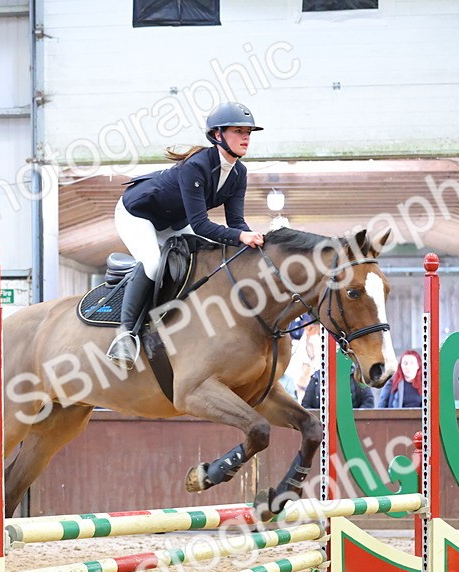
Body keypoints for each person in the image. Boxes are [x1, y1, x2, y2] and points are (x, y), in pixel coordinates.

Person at [106, 101, 266, 365]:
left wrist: (257, 243)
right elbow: (202, 225)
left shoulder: (239, 172)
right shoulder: (197, 166)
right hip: (137, 213)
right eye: (238, 131)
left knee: (205, 260)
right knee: (153, 263)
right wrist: (240, 237)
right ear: (218, 135)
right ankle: (125, 335)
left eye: (248, 132)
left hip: (175, 221)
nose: (246, 137)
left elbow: (236, 221)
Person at [301, 370, 376, 410]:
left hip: (352, 426)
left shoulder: (355, 375)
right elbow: (306, 404)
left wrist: (356, 417)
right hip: (323, 428)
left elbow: (368, 401)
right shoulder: (317, 377)